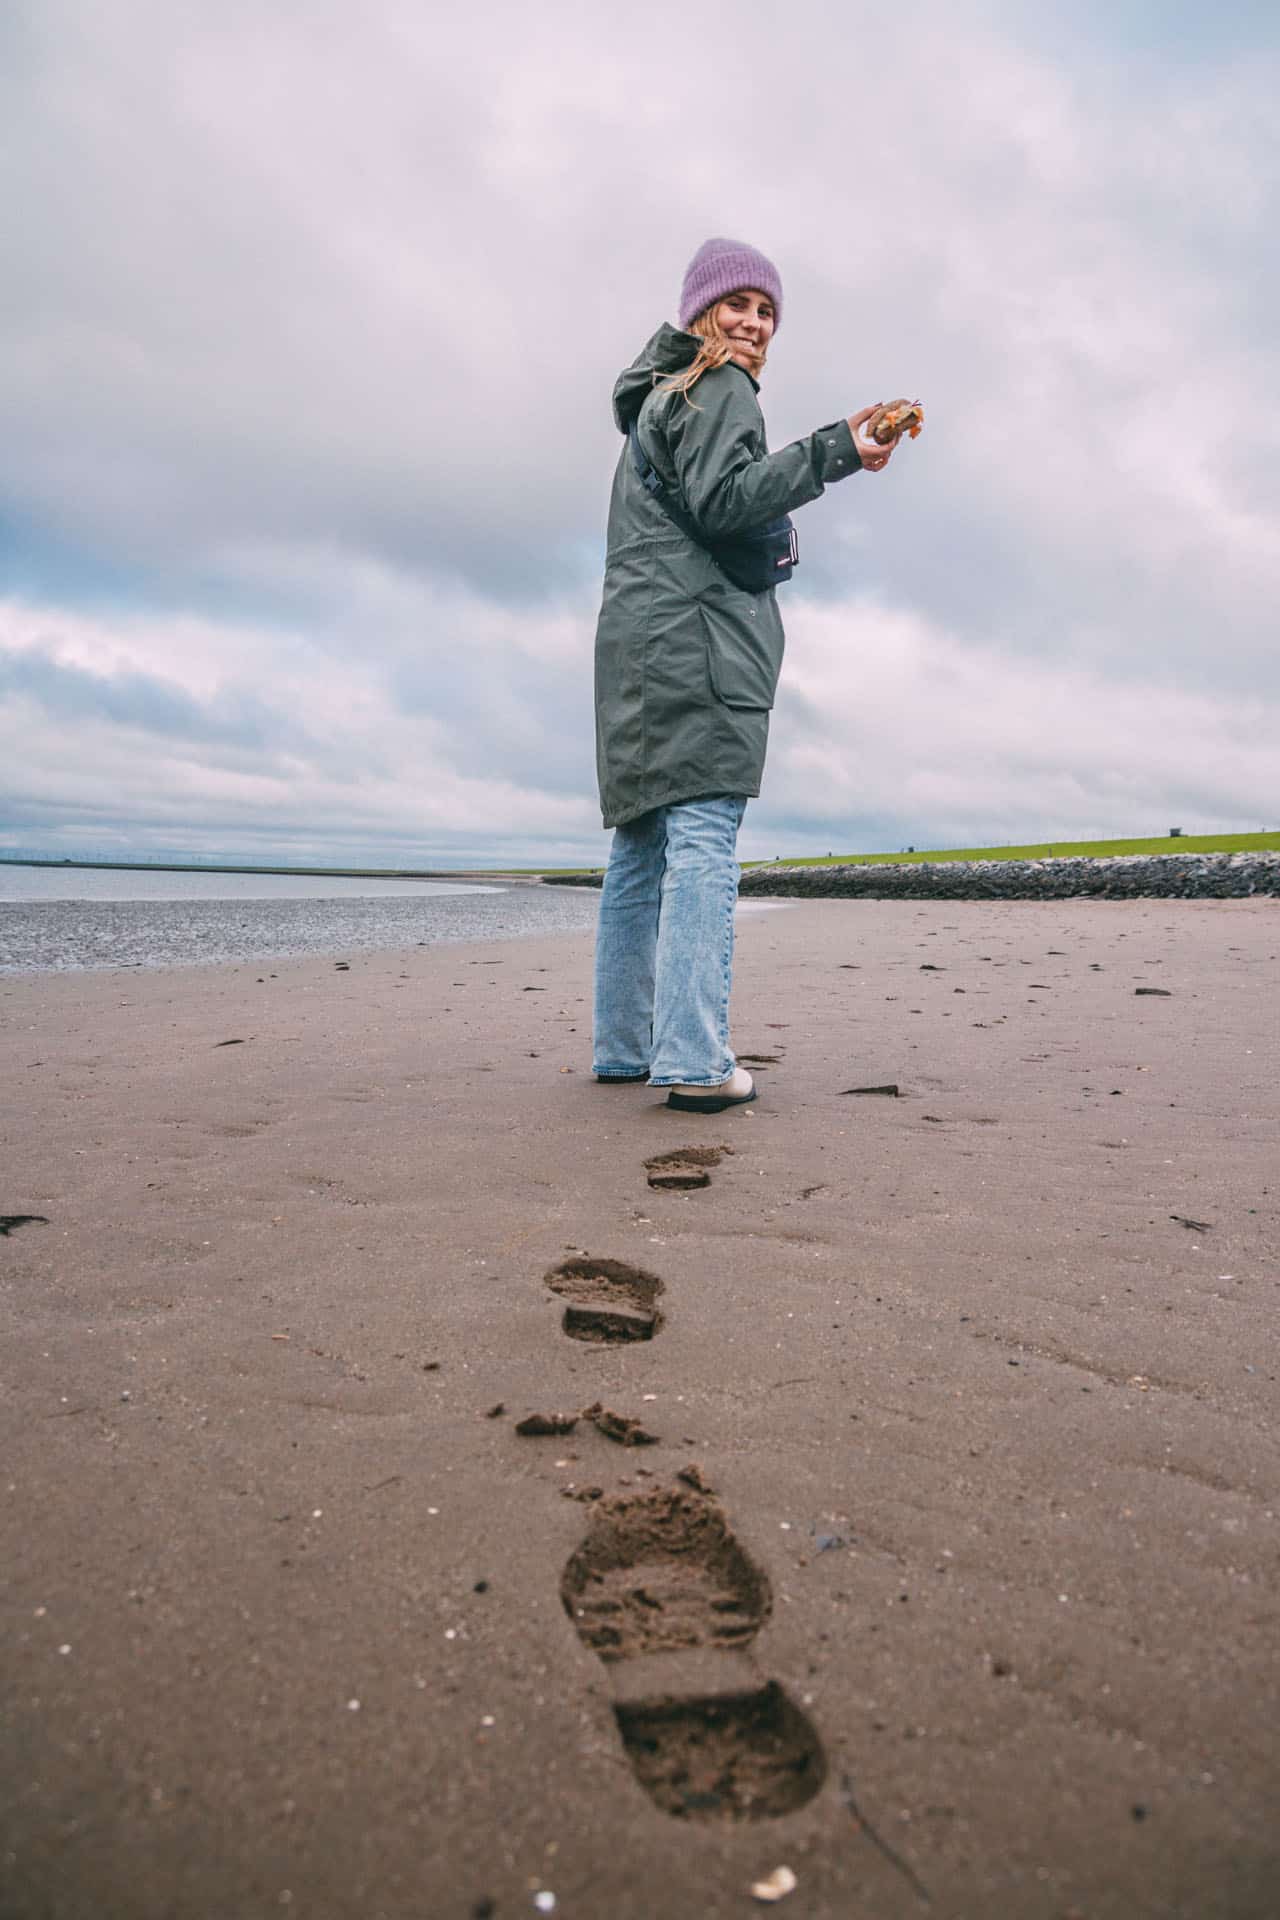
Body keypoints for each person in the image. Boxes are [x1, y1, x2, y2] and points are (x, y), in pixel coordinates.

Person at [591, 236, 898, 1113]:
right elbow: (729, 499)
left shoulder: (657, 400)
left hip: (636, 652)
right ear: (699, 313)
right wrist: (839, 447)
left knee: (640, 848)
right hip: (700, 644)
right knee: (699, 842)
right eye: (738, 305)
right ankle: (691, 1057)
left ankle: (624, 1047)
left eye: (767, 311)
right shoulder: (717, 387)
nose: (755, 324)